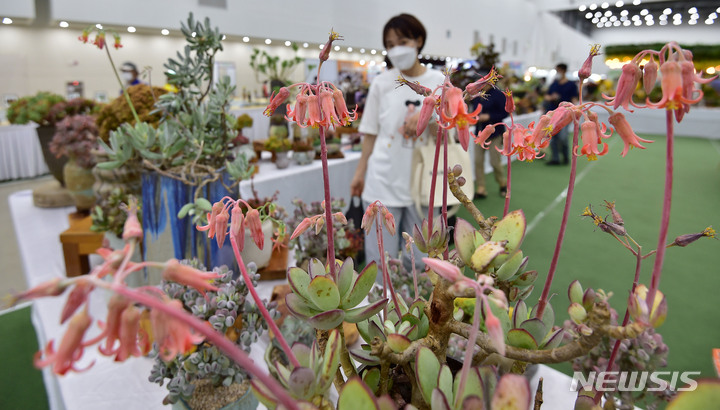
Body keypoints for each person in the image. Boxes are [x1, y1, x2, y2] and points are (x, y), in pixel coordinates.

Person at [350, 13, 445, 274]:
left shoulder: (438, 82)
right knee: (379, 259)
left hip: (422, 185)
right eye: (390, 45)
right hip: (382, 181)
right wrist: (360, 173)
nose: (395, 50)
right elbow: (370, 133)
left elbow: (449, 134)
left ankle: (416, 309)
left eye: (401, 41)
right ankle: (381, 310)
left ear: (418, 40)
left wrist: (427, 117)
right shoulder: (381, 82)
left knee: (420, 258)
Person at [472, 83, 508, 199]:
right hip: (480, 133)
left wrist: (489, 116)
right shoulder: (477, 94)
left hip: (495, 133)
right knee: (478, 161)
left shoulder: (498, 94)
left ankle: (502, 183)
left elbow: (505, 112)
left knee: (495, 162)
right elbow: (474, 111)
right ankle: (481, 188)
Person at [544, 63, 578, 165]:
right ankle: (555, 158)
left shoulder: (571, 85)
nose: (557, 72)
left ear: (563, 71)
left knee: (563, 137)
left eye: (558, 70)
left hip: (565, 116)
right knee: (552, 137)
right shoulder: (554, 84)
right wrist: (552, 98)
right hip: (553, 114)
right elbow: (546, 96)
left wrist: (570, 108)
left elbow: (574, 100)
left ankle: (565, 156)